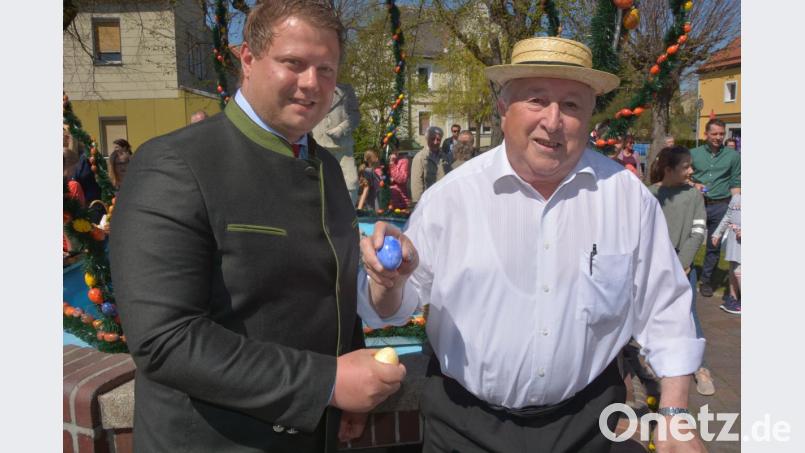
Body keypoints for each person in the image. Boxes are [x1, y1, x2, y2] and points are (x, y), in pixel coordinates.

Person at [359, 36, 705, 452]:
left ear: (590, 115)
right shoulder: (450, 199)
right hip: (463, 428)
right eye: (537, 100)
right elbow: (389, 311)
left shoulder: (627, 199)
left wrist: (674, 413)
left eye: (572, 105)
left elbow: (664, 307)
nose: (554, 121)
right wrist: (387, 282)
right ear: (504, 111)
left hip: (589, 426)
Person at [110, 2, 406, 451]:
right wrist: (326, 383)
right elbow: (164, 340)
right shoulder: (175, 164)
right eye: (294, 63)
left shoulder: (324, 166)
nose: (313, 83)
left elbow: (329, 298)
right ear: (247, 59)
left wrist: (350, 386)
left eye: (327, 69)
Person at [649, 146, 715, 396]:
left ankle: (701, 368)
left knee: (689, 315)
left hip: (683, 266)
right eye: (685, 166)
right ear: (668, 169)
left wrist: (683, 263)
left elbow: (698, 232)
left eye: (690, 166)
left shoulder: (693, 196)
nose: (691, 171)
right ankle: (659, 362)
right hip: (657, 266)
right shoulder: (651, 194)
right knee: (657, 314)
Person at [690, 119, 741, 297]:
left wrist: (736, 211)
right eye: (714, 134)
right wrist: (693, 184)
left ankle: (706, 280)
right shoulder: (693, 154)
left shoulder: (733, 156)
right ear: (706, 134)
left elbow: (736, 182)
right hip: (697, 205)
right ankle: (684, 272)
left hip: (720, 206)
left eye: (721, 134)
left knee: (714, 245)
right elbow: (683, 174)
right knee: (690, 240)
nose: (718, 137)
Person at [312, 83, 361, 204]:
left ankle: (349, 215)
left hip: (343, 146)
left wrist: (341, 129)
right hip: (319, 143)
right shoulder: (311, 87)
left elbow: (355, 115)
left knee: (352, 181)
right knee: (321, 183)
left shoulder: (347, 90)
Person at [712, 193, 741, 314]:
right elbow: (728, 216)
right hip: (733, 237)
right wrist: (717, 233)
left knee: (739, 271)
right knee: (732, 266)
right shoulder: (736, 198)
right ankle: (733, 297)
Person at [410, 126, 451, 204]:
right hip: (427, 201)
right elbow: (416, 184)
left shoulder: (444, 156)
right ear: (427, 139)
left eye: (438, 139)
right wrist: (418, 204)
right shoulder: (420, 157)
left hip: (443, 199)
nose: (435, 142)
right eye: (432, 139)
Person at [388, 139, 411, 210]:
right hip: (387, 202)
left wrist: (392, 164)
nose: (393, 152)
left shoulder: (403, 161)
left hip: (401, 202)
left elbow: (402, 179)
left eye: (394, 149)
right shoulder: (383, 162)